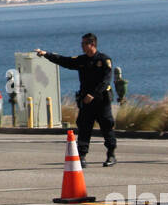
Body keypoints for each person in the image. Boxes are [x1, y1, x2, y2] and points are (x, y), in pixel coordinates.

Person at [34, 33, 117, 167]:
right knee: (84, 127)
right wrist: (46, 54)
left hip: (101, 101)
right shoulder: (82, 60)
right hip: (85, 101)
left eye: (84, 43)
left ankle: (111, 155)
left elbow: (106, 80)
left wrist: (94, 94)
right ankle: (82, 156)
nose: (81, 46)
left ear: (92, 44)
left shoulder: (104, 60)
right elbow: (64, 61)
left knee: (107, 126)